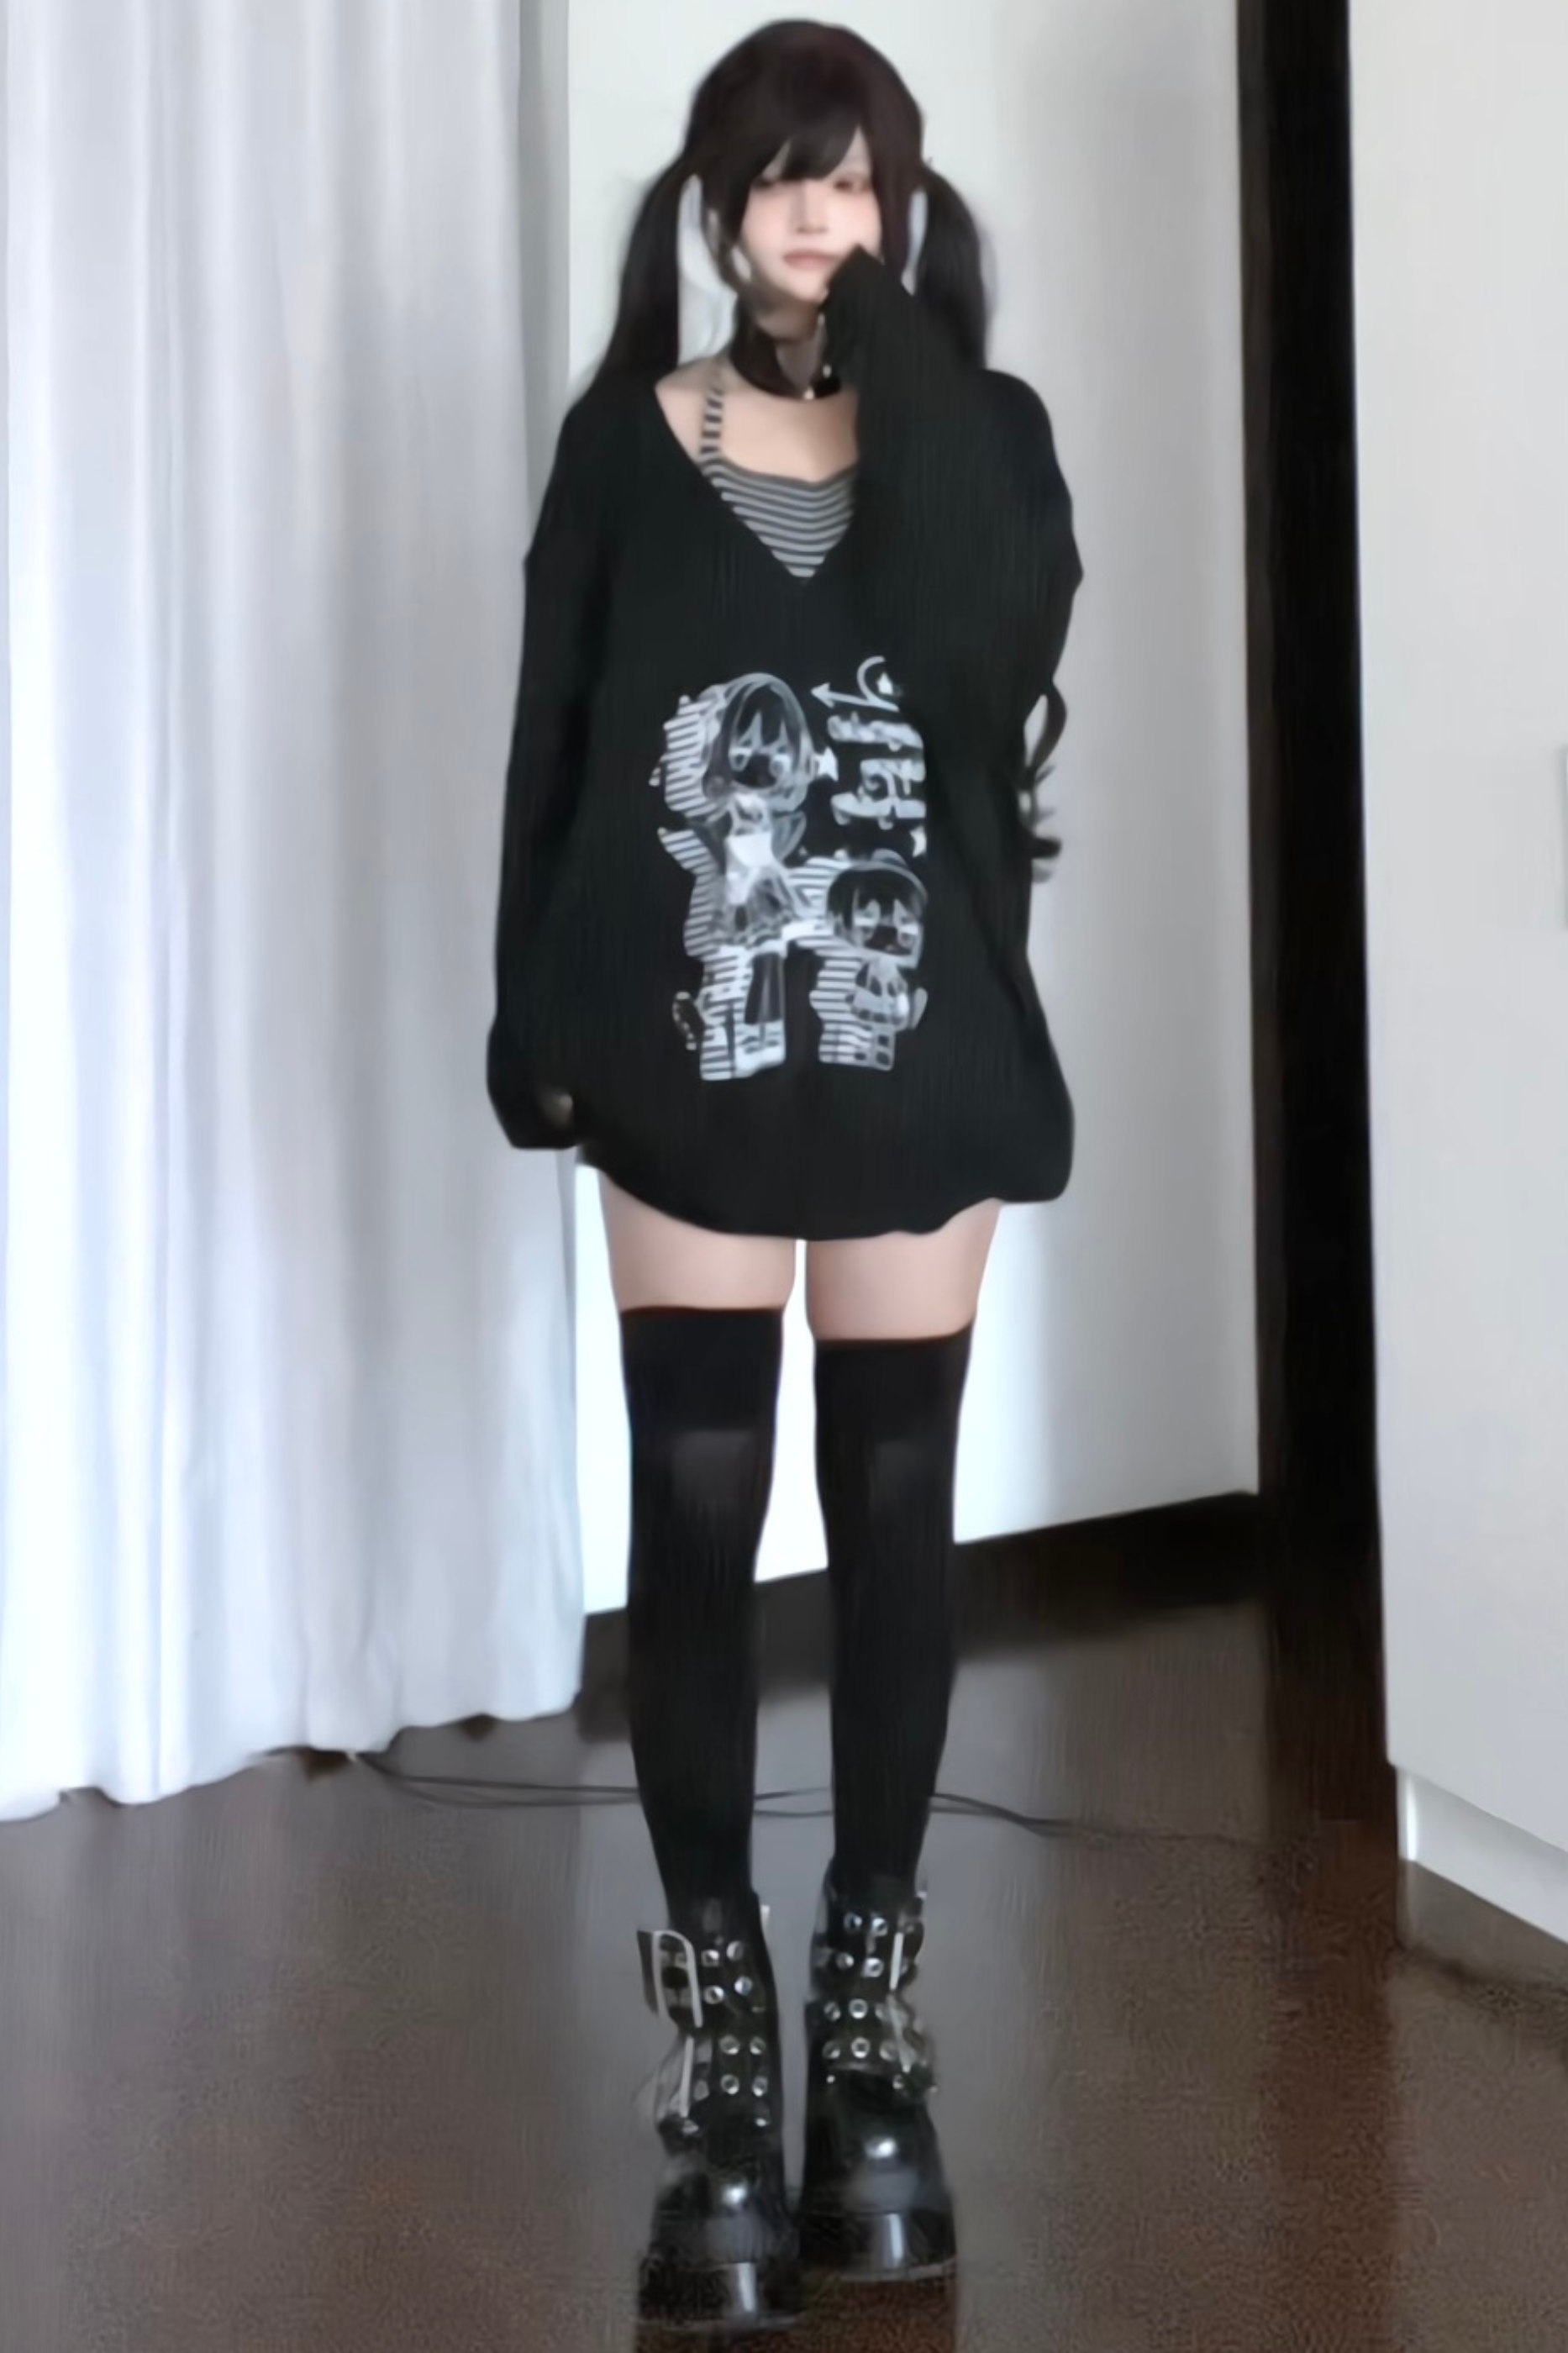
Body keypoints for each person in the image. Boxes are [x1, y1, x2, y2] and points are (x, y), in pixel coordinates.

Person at [487, 18, 1082, 2335]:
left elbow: (991, 637)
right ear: (713, 203)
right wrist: (531, 1019)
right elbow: (553, 743)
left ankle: (871, 2038)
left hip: (923, 1039)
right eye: (776, 177)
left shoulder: (977, 436)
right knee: (701, 1502)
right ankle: (728, 2065)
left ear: (899, 205)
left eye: (854, 179)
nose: (814, 215)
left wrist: (894, 352)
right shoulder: (625, 444)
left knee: (900, 1501)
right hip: (693, 1037)